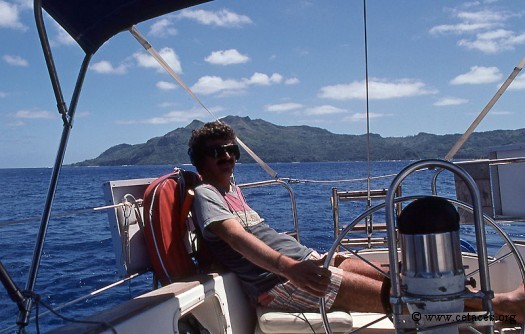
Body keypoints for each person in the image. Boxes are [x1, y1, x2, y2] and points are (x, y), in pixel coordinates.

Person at [188, 120, 525, 322]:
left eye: (231, 149)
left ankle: (498, 304)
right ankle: (506, 309)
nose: (228, 156)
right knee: (401, 298)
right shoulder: (207, 195)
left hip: (311, 263)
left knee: (405, 275)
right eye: (217, 151)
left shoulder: (231, 189)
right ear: (201, 161)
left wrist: (310, 261)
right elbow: (234, 238)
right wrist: (291, 269)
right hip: (281, 285)